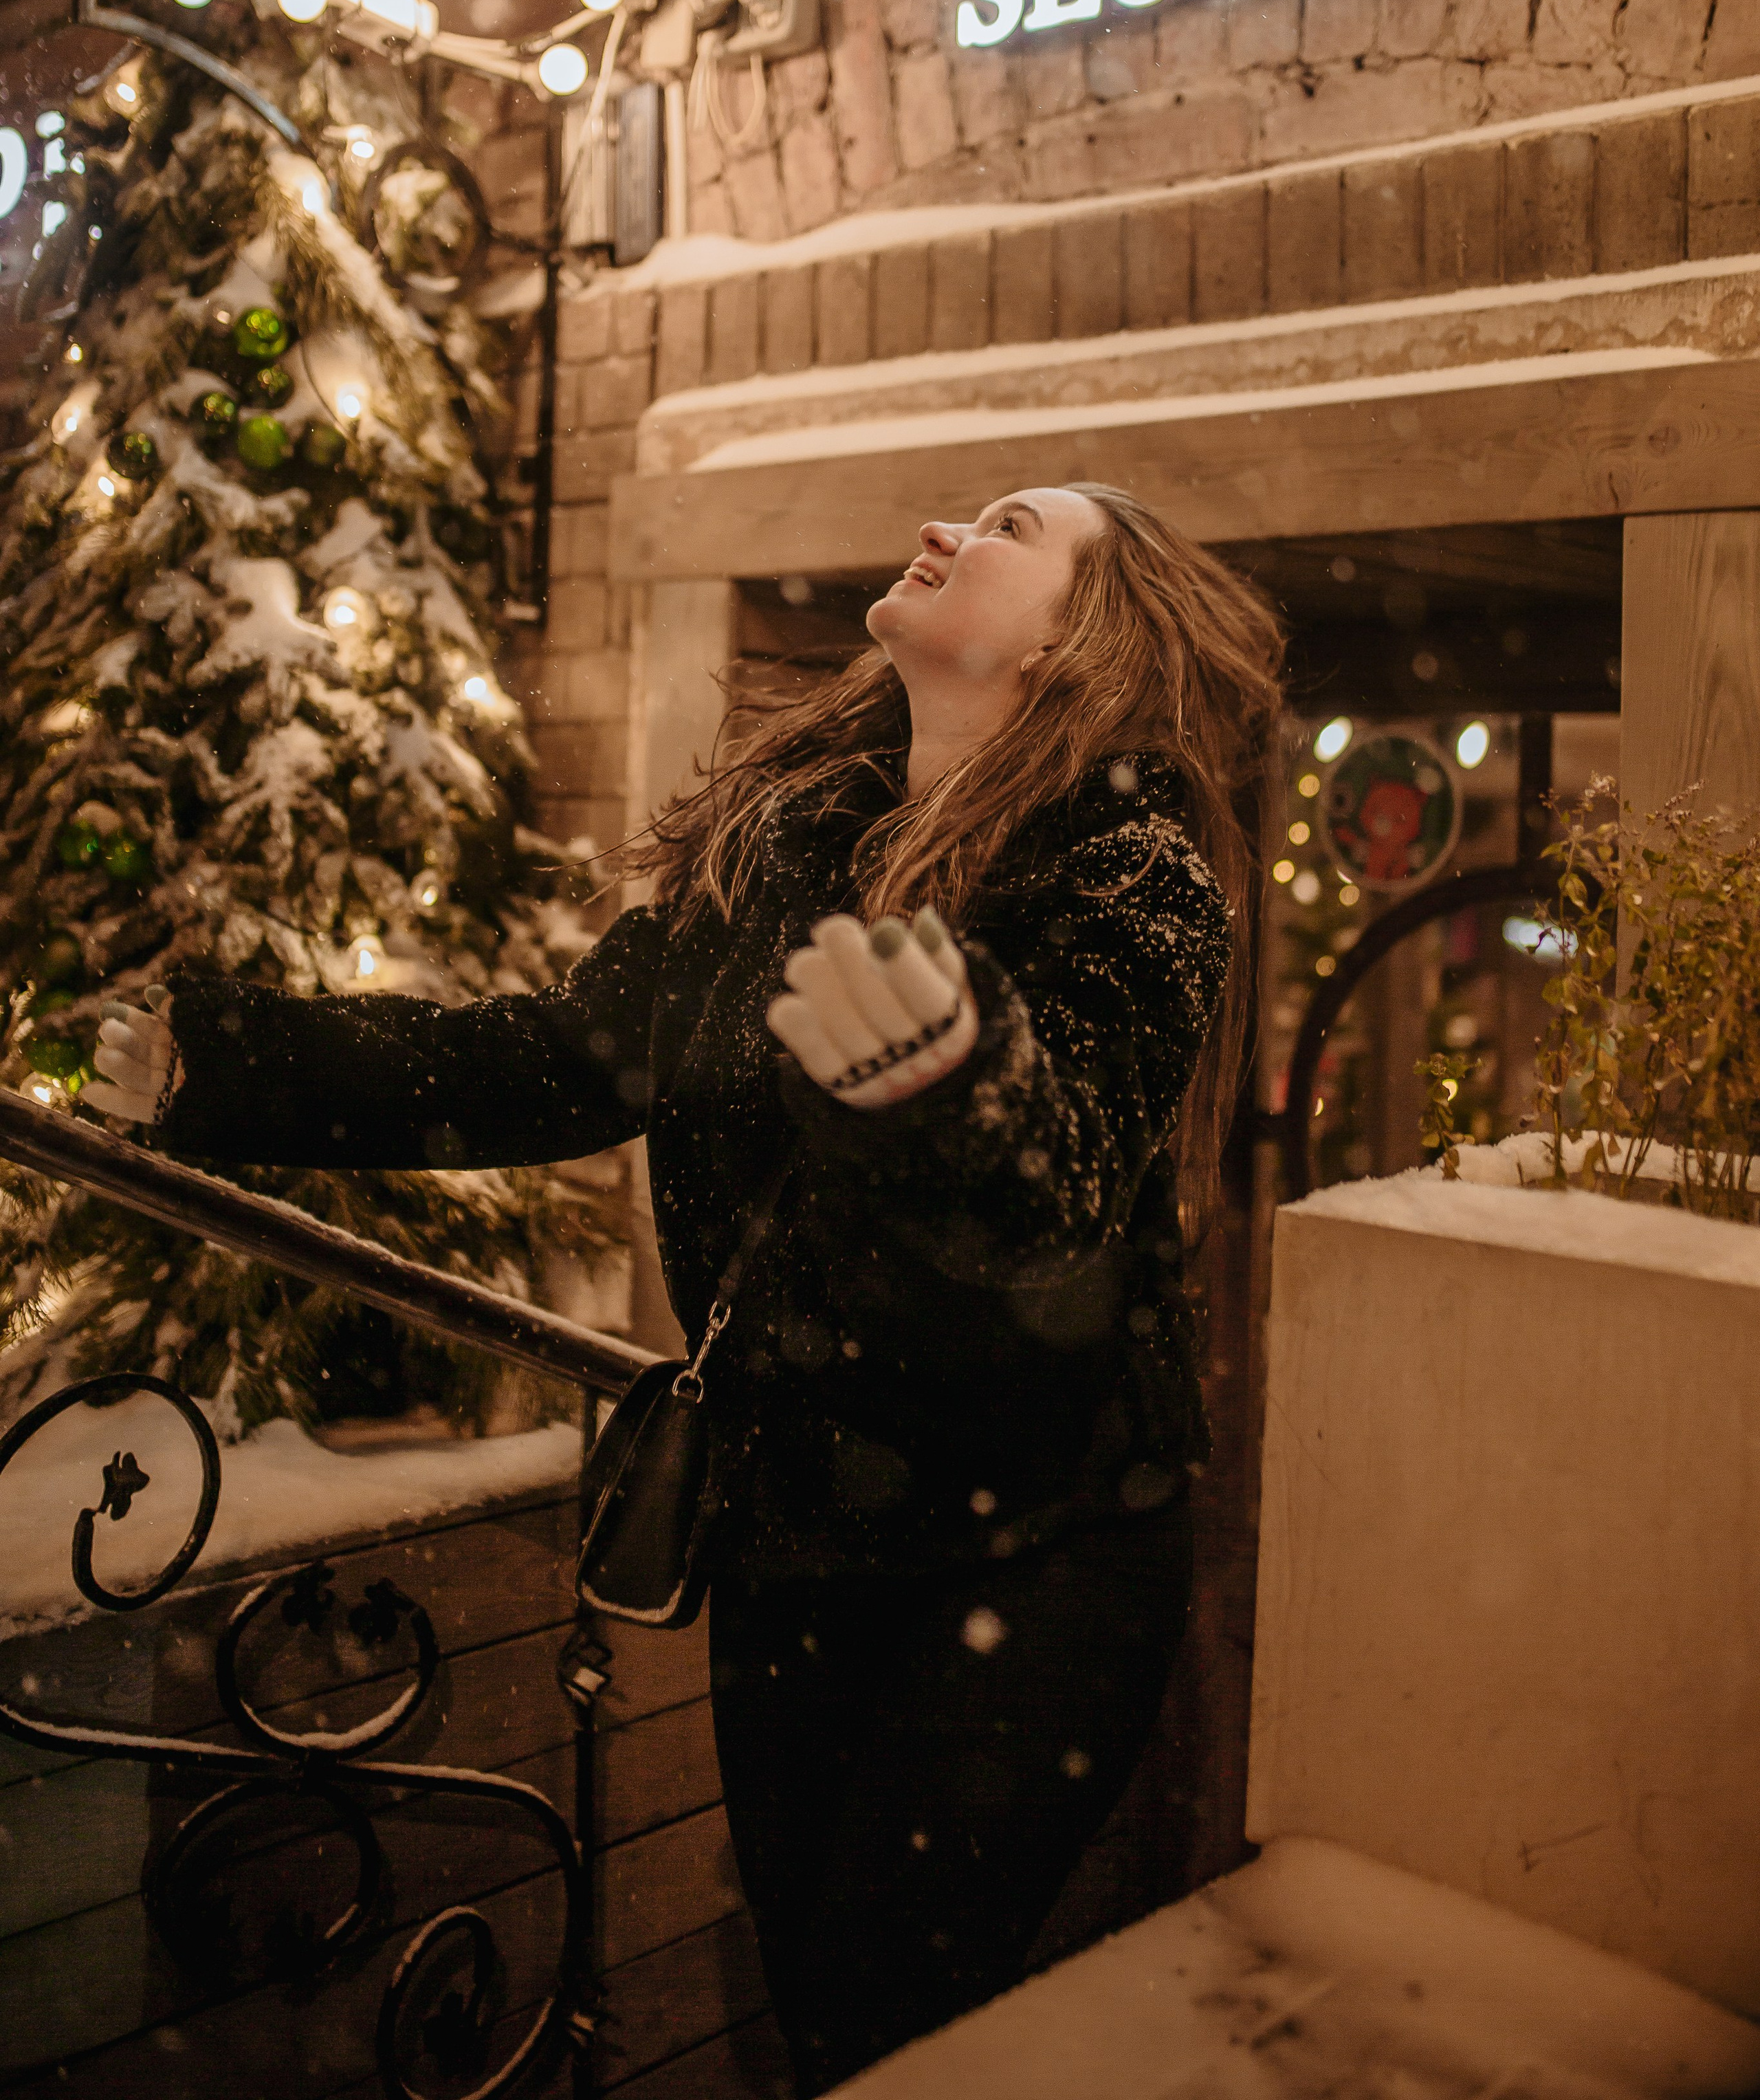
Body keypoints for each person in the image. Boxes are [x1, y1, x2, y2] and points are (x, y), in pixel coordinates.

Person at [90, 479, 1283, 2095]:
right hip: (801, 1542)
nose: (943, 525)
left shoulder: (1135, 882)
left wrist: (947, 1074)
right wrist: (230, 1065)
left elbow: (1055, 1169)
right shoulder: (784, 846)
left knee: (902, 2007)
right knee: (816, 1989)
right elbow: (546, 1061)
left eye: (1007, 524)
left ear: (1083, 631)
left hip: (1038, 1560)